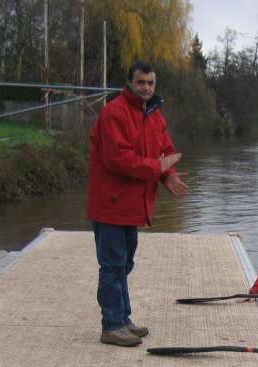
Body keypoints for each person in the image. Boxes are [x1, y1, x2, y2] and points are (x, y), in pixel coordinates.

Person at [87, 60, 188, 346]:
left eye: (151, 83)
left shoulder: (154, 115)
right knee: (112, 265)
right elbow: (117, 159)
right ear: (130, 82)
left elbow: (165, 151)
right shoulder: (113, 113)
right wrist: (158, 169)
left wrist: (167, 175)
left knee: (124, 264)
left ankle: (122, 318)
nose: (146, 87)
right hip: (110, 203)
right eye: (141, 82)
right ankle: (112, 324)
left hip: (132, 206)